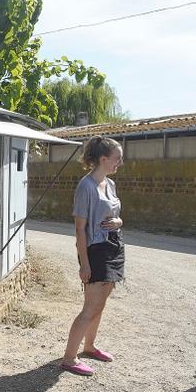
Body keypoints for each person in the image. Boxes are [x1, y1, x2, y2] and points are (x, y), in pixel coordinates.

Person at [60, 136, 125, 376]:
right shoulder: (85, 186)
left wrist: (119, 221)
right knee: (90, 306)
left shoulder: (110, 184)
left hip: (113, 247)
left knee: (101, 304)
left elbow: (117, 216)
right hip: (95, 251)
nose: (120, 162)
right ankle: (69, 358)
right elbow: (79, 228)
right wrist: (84, 264)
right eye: (117, 158)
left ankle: (89, 347)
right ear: (103, 159)